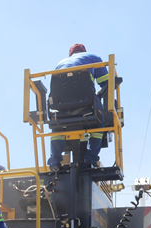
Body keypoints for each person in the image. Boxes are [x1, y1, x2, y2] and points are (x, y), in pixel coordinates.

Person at [47, 43, 109, 172]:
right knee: (99, 123)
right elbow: (106, 83)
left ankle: (54, 162)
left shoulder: (60, 63)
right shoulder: (93, 57)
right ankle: (91, 159)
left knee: (57, 128)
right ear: (84, 51)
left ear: (70, 54)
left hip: (61, 107)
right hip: (86, 104)